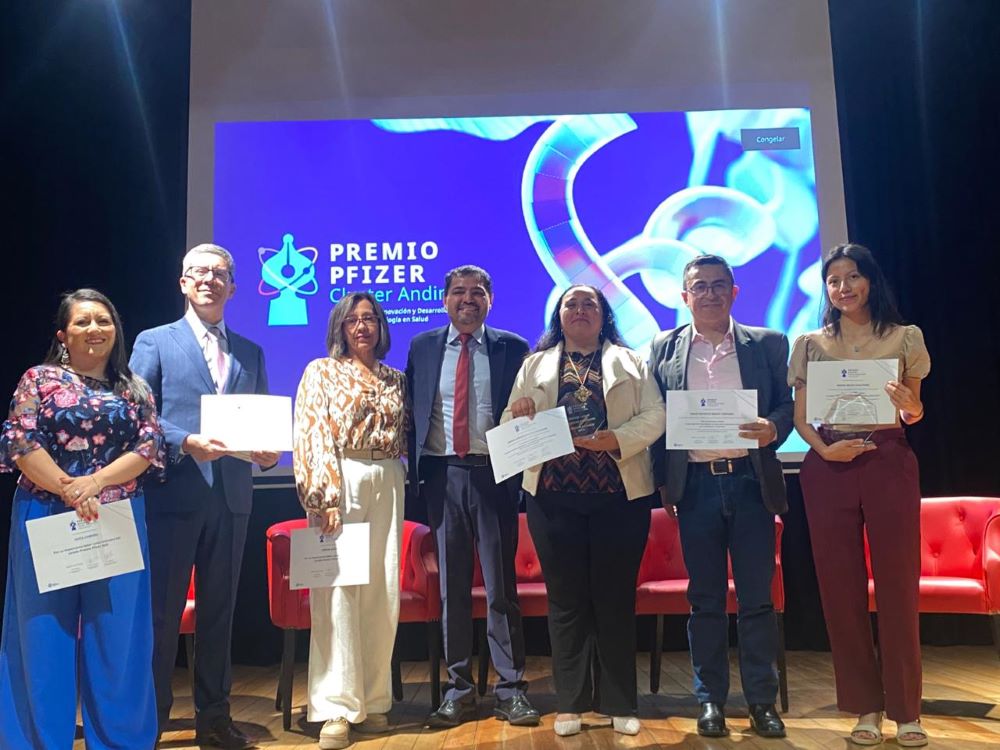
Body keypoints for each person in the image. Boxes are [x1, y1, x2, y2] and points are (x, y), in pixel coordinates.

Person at [0, 288, 165, 749]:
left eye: (104, 321)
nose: (95, 329)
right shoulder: (38, 379)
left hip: (116, 517)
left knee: (119, 640)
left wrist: (94, 484)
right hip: (44, 513)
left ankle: (121, 741)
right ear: (63, 334)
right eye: (82, 321)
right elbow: (21, 442)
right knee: (42, 637)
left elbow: (148, 446)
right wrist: (68, 488)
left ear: (117, 330)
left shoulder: (134, 387)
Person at [130, 244, 280, 750]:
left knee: (219, 614)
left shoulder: (251, 352)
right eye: (198, 271)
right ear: (183, 283)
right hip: (172, 494)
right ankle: (149, 720)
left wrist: (268, 454)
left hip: (232, 498)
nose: (208, 279)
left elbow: (261, 422)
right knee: (162, 615)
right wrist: (186, 441)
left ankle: (214, 719)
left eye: (219, 273)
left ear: (232, 287)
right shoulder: (154, 341)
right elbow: (140, 416)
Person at [505, 284, 664, 737]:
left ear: (603, 313)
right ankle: (570, 704)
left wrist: (619, 438)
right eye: (570, 304)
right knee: (566, 602)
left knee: (615, 600)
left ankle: (619, 702)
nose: (579, 310)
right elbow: (509, 423)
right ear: (558, 316)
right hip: (552, 498)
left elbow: (656, 415)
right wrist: (518, 411)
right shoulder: (534, 364)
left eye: (588, 303)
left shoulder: (631, 361)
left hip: (619, 497)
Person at [789, 243, 930, 748]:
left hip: (888, 458)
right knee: (840, 589)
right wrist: (825, 450)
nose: (843, 287)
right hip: (829, 462)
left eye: (852, 277)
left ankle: (907, 711)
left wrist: (911, 405)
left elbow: (913, 411)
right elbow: (801, 418)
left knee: (898, 586)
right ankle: (865, 708)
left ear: (870, 281)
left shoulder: (904, 336)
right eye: (833, 280)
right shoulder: (809, 343)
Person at [649, 254, 792, 739]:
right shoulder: (663, 347)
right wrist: (664, 483)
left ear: (734, 292)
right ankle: (709, 700)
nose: (709, 294)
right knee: (705, 601)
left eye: (717, 285)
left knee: (756, 601)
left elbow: (787, 404)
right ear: (684, 296)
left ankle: (761, 703)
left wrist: (775, 426)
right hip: (695, 487)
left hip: (751, 483)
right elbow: (656, 419)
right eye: (699, 286)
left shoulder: (767, 343)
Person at [406, 265, 539, 727]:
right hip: (442, 477)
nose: (467, 299)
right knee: (453, 590)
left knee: (502, 589)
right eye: (459, 292)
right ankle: (458, 690)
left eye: (477, 292)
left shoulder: (512, 348)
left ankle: (511, 689)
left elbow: (530, 408)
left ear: (490, 300)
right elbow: (413, 413)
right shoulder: (423, 347)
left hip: (493, 476)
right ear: (444, 300)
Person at [293, 292, 407, 750]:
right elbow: (312, 432)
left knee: (382, 590)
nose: (362, 326)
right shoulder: (321, 372)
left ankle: (374, 700)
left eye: (370, 318)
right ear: (340, 327)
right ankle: (335, 707)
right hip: (342, 477)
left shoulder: (396, 379)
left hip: (389, 476)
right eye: (353, 320)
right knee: (338, 593)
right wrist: (323, 496)